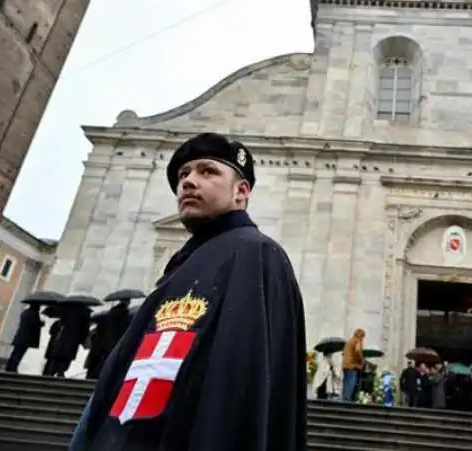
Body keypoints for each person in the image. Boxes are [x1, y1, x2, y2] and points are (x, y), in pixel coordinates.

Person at [69, 133, 307, 451]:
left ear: (241, 192)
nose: (189, 182)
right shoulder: (184, 264)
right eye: (184, 174)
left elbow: (238, 385)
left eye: (207, 171)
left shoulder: (255, 254)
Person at [5, 303, 44, 372]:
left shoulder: (25, 312)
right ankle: (12, 368)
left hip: (20, 336)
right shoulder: (33, 314)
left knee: (15, 352)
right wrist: (41, 323)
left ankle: (9, 367)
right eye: (39, 306)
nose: (40, 308)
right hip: (26, 338)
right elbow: (34, 324)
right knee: (19, 354)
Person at [341, 328, 365, 402]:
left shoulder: (350, 341)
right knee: (351, 382)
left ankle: (344, 398)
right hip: (352, 365)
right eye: (363, 337)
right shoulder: (357, 340)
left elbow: (343, 353)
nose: (363, 339)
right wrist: (361, 360)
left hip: (345, 364)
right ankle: (347, 399)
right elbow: (357, 350)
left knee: (346, 382)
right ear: (361, 335)